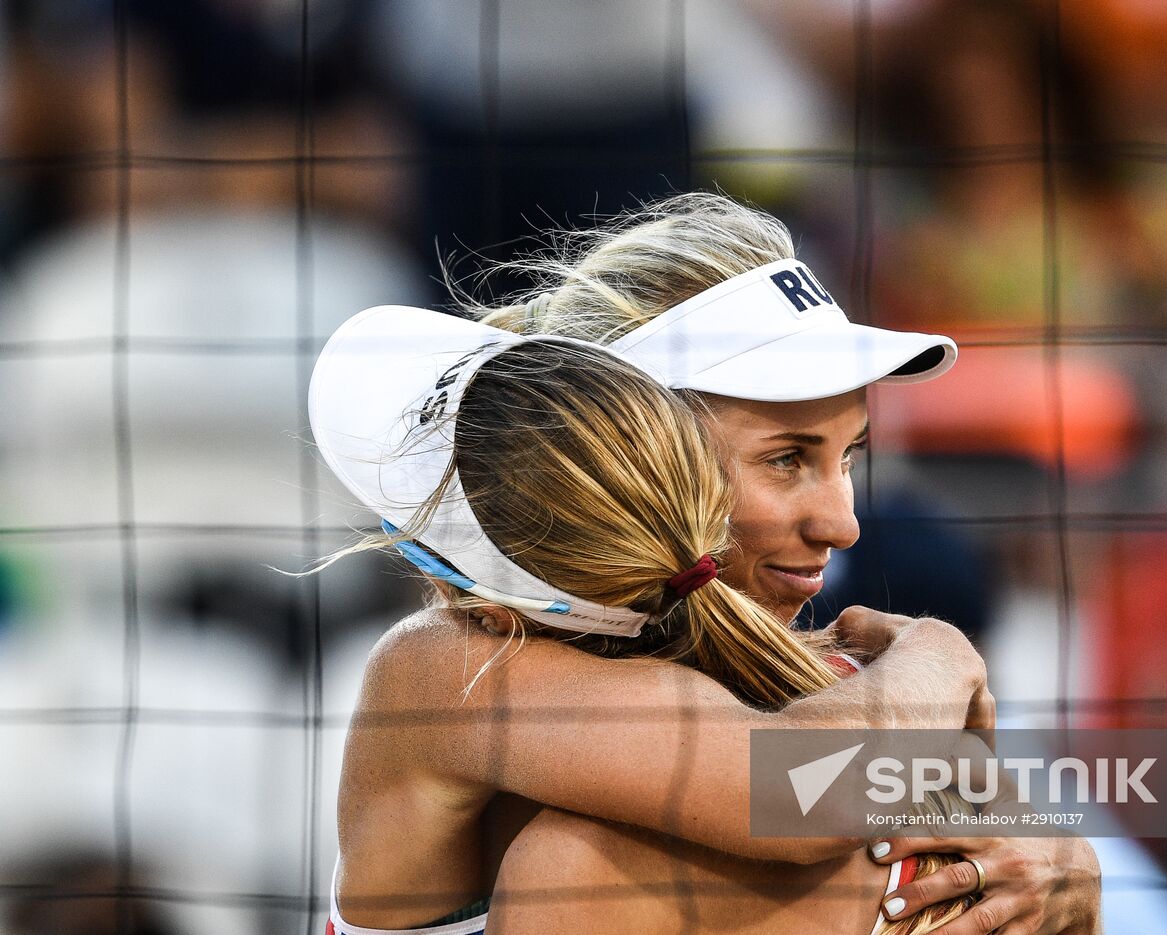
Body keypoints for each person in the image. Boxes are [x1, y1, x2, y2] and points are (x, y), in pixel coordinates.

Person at [316, 193, 1101, 935]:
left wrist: (1062, 871)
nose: (845, 521)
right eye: (788, 458)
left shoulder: (838, 695)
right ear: (634, 457)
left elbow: (846, 792)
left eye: (848, 456)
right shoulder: (451, 669)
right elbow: (804, 790)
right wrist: (944, 650)